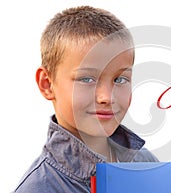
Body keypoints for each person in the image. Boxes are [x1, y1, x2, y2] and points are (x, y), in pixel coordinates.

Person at [14, 5, 158, 193]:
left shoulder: (145, 162)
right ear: (47, 84)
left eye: (120, 79)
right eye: (87, 79)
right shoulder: (39, 188)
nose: (106, 97)